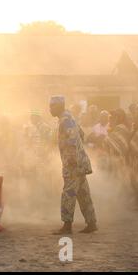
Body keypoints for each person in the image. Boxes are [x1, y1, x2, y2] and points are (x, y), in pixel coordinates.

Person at [49, 96, 97, 234]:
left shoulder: (65, 120)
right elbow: (81, 135)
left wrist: (71, 159)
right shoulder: (70, 118)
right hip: (79, 162)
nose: (50, 109)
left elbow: (72, 139)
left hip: (73, 164)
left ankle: (67, 225)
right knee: (83, 193)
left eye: (52, 106)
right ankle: (92, 222)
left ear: (59, 106)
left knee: (68, 194)